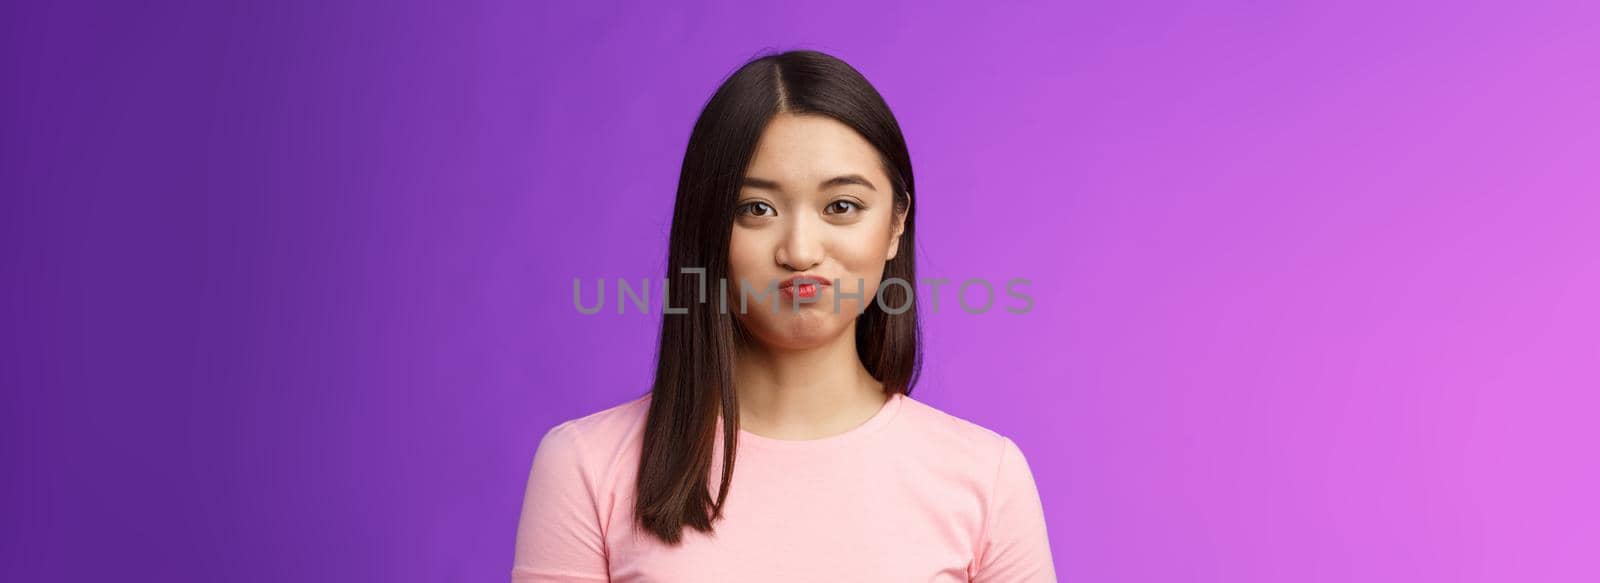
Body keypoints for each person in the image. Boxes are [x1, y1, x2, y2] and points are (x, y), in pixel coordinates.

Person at [512, 49, 1055, 582]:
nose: (799, 250)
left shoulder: (987, 478)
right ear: (707, 230)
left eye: (841, 207)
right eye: (756, 209)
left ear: (894, 225)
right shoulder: (585, 466)